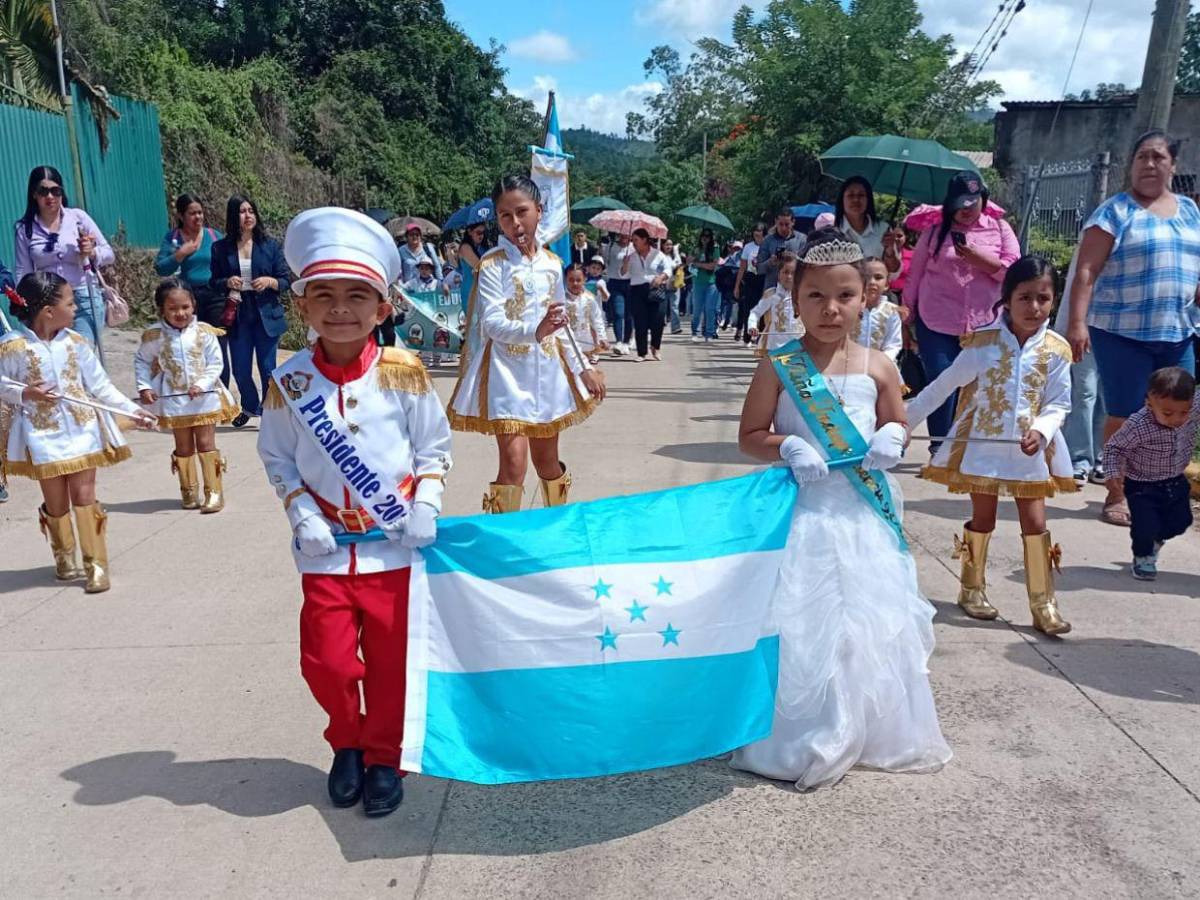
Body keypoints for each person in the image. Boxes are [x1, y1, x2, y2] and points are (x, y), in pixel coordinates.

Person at [731, 227, 950, 789]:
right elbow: (749, 435)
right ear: (795, 297)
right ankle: (798, 735)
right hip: (801, 514)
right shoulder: (779, 363)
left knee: (863, 626)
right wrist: (787, 444)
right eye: (816, 296)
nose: (830, 309)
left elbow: (897, 422)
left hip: (861, 516)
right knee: (801, 624)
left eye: (845, 295)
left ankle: (867, 729)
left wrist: (895, 438)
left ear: (866, 296)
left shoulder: (879, 366)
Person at [258, 207, 452, 818]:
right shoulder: (289, 381)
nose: (339, 309)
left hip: (394, 545)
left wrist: (426, 503)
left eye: (356, 296)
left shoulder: (404, 373)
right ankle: (346, 741)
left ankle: (383, 756)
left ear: (383, 308)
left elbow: (433, 448)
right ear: (303, 306)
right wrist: (301, 514)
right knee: (329, 662)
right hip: (325, 551)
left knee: (392, 664)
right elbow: (276, 456)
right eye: (324, 296)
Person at [906, 257, 1075, 635]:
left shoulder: (1056, 350)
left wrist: (1042, 431)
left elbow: (1059, 403)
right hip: (984, 448)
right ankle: (971, 588)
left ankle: (1043, 603)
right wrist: (903, 423)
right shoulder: (984, 344)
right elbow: (943, 386)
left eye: (1043, 298)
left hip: (1030, 453)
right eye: (1025, 297)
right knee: (984, 520)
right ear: (1007, 299)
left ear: (1054, 301)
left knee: (1036, 524)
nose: (1034, 307)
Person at [448, 175, 607, 512]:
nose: (515, 223)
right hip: (507, 374)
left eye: (522, 212)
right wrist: (536, 330)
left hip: (547, 374)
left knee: (547, 462)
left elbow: (560, 325)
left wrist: (584, 368)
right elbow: (492, 323)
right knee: (513, 463)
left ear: (539, 210)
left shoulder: (552, 265)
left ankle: (556, 522)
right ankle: (503, 532)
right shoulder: (493, 264)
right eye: (505, 216)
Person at [1065, 130, 1200, 527]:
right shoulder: (1114, 212)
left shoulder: (1190, 211)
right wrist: (1076, 323)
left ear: (1173, 165)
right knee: (1126, 415)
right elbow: (1086, 271)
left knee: (1177, 415)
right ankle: (1117, 493)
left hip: (1178, 331)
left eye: (1158, 157)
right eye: (1142, 157)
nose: (1149, 164)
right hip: (1120, 332)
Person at [0, 273, 156, 593]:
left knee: (84, 497)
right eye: (70, 304)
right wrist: (26, 393)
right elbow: (3, 385)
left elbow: (101, 386)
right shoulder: (13, 347)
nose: (76, 309)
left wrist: (133, 411)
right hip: (41, 435)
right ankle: (64, 556)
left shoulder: (76, 343)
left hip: (83, 428)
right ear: (48, 311)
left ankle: (96, 563)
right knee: (56, 502)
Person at [902, 172, 1020, 451]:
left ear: (983, 200)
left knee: (979, 386)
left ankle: (970, 446)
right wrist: (907, 315)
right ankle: (940, 447)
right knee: (942, 380)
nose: (966, 209)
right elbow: (915, 274)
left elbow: (1014, 272)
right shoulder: (934, 232)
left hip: (985, 324)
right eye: (960, 203)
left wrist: (981, 260)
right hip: (937, 320)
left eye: (972, 202)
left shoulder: (1000, 228)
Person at [134, 277, 239, 512]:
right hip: (175, 400)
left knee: (205, 443)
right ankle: (188, 490)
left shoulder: (204, 332)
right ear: (162, 309)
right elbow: (142, 361)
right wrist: (144, 386)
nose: (180, 313)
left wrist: (201, 384)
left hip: (204, 399)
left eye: (185, 307)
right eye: (173, 308)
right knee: (183, 446)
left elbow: (216, 363)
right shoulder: (154, 336)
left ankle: (214, 492)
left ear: (194, 305)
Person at [1102, 367, 1199, 580]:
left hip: (1175, 480)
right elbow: (1115, 448)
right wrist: (1113, 473)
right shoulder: (1139, 424)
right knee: (1145, 526)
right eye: (1167, 413)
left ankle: (1154, 541)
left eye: (1184, 412)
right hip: (1142, 485)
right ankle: (1143, 557)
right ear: (1149, 403)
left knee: (1181, 521)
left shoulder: (1193, 407)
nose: (1177, 419)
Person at [210, 195, 291, 428]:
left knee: (268, 369)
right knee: (241, 369)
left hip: (266, 314)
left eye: (251, 211)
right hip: (238, 314)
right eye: (242, 211)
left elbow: (285, 280)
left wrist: (269, 281)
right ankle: (250, 406)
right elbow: (213, 282)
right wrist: (227, 282)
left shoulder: (270, 245)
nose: (248, 216)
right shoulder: (220, 248)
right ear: (233, 216)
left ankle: (271, 414)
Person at [13, 166, 114, 350]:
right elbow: (23, 271)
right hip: (48, 304)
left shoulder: (78, 218)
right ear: (34, 194)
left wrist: (92, 252)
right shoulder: (25, 229)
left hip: (83, 298)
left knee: (81, 352)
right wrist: (24, 304)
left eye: (55, 191)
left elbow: (109, 254)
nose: (50, 197)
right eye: (43, 191)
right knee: (55, 355)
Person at [155, 194, 229, 385]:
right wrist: (181, 254)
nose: (198, 217)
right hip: (187, 300)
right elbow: (161, 268)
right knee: (192, 346)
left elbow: (229, 263)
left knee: (218, 346)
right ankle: (195, 389)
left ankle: (221, 393)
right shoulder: (173, 239)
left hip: (215, 297)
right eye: (192, 213)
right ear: (181, 216)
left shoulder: (214, 236)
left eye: (200, 213)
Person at [1054, 250, 1107, 484]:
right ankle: (1079, 460)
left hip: (1119, 330)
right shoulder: (1094, 237)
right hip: (1084, 327)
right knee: (1084, 392)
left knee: (1109, 396)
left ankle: (1102, 457)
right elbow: (1080, 279)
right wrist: (1074, 324)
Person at [622, 227, 671, 361]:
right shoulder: (631, 256)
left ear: (644, 240)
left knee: (658, 320)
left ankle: (656, 346)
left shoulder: (657, 254)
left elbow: (668, 269)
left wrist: (661, 277)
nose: (633, 243)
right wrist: (625, 265)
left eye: (636, 240)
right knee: (640, 322)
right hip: (637, 290)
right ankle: (641, 352)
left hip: (655, 289)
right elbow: (623, 274)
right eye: (632, 240)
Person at [834, 176, 897, 272]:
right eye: (850, 195)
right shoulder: (832, 231)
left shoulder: (883, 229)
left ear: (869, 200)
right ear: (842, 200)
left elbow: (893, 269)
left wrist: (890, 252)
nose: (856, 199)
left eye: (861, 195)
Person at [748, 252, 801, 355]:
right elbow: (755, 312)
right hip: (775, 346)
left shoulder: (803, 296)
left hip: (798, 346)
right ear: (779, 274)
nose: (789, 276)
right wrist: (752, 326)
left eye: (793, 273)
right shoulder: (771, 294)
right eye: (785, 272)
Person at [856, 257, 902, 362]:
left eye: (878, 277)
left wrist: (880, 363)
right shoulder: (850, 309)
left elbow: (893, 344)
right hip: (851, 364)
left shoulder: (892, 311)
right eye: (866, 277)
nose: (872, 282)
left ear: (886, 284)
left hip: (881, 364)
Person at [564, 263, 608, 364]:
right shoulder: (561, 298)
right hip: (565, 344)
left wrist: (602, 337)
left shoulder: (589, 298)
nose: (575, 283)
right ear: (566, 279)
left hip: (585, 344)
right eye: (571, 280)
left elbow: (597, 319)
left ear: (584, 279)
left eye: (578, 280)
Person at [755, 207, 804, 294]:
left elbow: (806, 267)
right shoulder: (767, 241)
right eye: (780, 224)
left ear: (793, 222)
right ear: (776, 222)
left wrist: (793, 259)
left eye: (787, 224)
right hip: (772, 290)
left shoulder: (801, 239)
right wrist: (770, 262)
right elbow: (759, 269)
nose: (783, 228)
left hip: (795, 290)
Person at [733, 224, 766, 343]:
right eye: (755, 231)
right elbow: (742, 268)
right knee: (748, 307)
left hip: (763, 278)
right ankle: (748, 333)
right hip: (750, 278)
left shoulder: (767, 245)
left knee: (763, 308)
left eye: (760, 231)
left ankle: (761, 336)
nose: (757, 234)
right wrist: (737, 286)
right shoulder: (748, 247)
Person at [603, 233, 633, 355]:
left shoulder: (634, 248)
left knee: (629, 315)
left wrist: (627, 263)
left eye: (627, 235)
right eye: (622, 234)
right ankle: (619, 341)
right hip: (614, 283)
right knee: (618, 313)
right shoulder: (610, 247)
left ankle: (626, 341)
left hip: (631, 283)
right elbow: (605, 262)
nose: (624, 236)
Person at [690, 229, 720, 343]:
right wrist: (692, 260)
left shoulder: (715, 249)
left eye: (707, 236)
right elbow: (689, 262)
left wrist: (698, 264)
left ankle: (709, 333)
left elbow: (712, 266)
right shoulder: (696, 249)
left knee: (710, 309)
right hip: (698, 282)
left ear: (711, 238)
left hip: (711, 282)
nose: (705, 238)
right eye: (703, 236)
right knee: (697, 309)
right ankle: (695, 332)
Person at [660, 238, 683, 334]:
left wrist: (676, 252)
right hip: (663, 285)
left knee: (674, 306)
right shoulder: (660, 256)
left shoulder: (674, 256)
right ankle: (660, 325)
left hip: (674, 284)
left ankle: (675, 327)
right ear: (662, 245)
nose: (669, 246)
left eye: (670, 244)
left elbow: (679, 264)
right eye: (667, 244)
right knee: (662, 307)